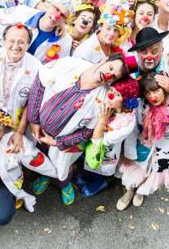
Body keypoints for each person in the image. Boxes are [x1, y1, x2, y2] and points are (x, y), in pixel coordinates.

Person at [27, 53, 132, 205]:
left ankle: (64, 183)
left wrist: (58, 142)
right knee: (41, 154)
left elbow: (87, 132)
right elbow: (40, 82)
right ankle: (46, 175)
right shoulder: (70, 64)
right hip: (37, 128)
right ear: (104, 60)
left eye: (113, 77)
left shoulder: (103, 98)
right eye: (110, 68)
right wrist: (33, 120)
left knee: (63, 166)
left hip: (64, 143)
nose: (108, 75)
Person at [116, 72, 169, 210]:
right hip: (143, 147)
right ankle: (130, 191)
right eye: (148, 93)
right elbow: (133, 130)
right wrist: (129, 152)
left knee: (155, 175)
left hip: (167, 151)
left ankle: (141, 192)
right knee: (135, 171)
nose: (152, 97)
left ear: (165, 89)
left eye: (156, 91)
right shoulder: (140, 106)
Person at [0, 111, 57, 225]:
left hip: (1, 183)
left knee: (1, 218)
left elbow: (33, 158)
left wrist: (57, 172)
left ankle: (5, 199)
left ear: (4, 132)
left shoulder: (11, 142)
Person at [0, 23, 40, 151]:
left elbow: (30, 104)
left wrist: (19, 132)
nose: (15, 46)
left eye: (21, 42)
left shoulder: (36, 67)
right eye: (11, 41)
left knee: (8, 159)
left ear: (28, 44)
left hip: (16, 123)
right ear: (4, 41)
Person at [78, 77, 139, 197]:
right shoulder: (105, 103)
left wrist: (102, 120)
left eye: (117, 94)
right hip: (88, 147)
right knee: (87, 164)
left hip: (105, 153)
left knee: (99, 171)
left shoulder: (127, 123)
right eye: (111, 90)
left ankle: (100, 184)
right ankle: (89, 177)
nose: (110, 95)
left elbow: (100, 141)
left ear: (125, 100)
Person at [0, 2, 72, 63]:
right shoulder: (23, 12)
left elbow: (59, 67)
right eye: (56, 9)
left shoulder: (65, 40)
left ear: (64, 20)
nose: (57, 16)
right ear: (49, 6)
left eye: (62, 15)